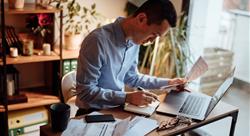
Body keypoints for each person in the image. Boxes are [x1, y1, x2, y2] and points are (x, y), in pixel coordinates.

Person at [75, 0, 186, 116]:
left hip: (117, 109)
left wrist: (169, 83)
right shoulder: (97, 41)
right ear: (141, 18)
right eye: (154, 34)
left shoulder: (134, 41)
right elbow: (85, 92)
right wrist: (127, 97)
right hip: (91, 114)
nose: (152, 41)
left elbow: (132, 78)